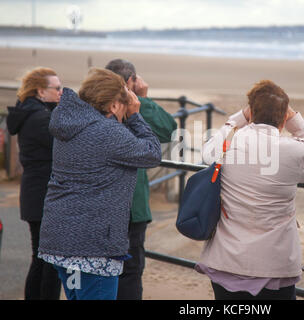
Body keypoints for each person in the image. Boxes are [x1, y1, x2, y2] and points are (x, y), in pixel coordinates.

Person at [37, 68, 162, 300]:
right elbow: (152, 153)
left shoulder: (70, 126)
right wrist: (135, 116)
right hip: (93, 248)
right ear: (114, 106)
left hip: (61, 241)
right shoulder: (108, 133)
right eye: (124, 107)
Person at [196, 80, 304, 300]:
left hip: (228, 259)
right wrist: (297, 124)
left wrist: (239, 118)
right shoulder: (294, 150)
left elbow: (207, 152)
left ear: (251, 113)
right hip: (276, 262)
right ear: (284, 119)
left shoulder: (230, 141)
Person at [105, 58, 177, 300]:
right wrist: (143, 100)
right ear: (130, 82)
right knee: (130, 271)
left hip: (101, 205)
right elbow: (168, 130)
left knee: (103, 271)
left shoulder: (94, 108)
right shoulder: (131, 110)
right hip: (130, 206)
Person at [6, 67, 62, 300]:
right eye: (57, 88)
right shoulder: (40, 118)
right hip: (42, 196)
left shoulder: (32, 112)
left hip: (36, 193)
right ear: (40, 91)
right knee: (47, 261)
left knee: (42, 258)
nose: (61, 92)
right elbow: (62, 148)